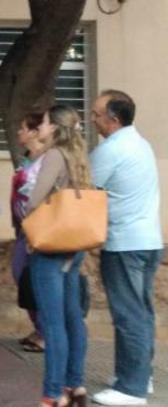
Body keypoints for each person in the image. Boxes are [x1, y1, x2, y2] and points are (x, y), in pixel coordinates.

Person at [89, 90, 163, 407]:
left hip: (124, 243)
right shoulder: (141, 144)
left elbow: (84, 187)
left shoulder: (112, 149)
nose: (93, 120)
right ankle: (137, 375)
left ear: (113, 118)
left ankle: (131, 389)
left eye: (96, 114)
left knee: (129, 315)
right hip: (148, 240)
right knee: (142, 313)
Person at [25, 105, 91, 407]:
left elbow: (36, 198)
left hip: (51, 245)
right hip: (74, 243)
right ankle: (75, 384)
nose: (44, 126)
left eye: (47, 122)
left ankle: (53, 393)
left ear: (55, 128)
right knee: (73, 318)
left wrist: (28, 221)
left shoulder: (54, 155)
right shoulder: (79, 154)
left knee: (52, 323)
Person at [10, 111, 48, 354]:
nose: (19, 132)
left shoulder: (46, 161)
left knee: (35, 280)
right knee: (21, 276)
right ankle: (38, 326)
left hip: (38, 229)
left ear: (35, 132)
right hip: (24, 229)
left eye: (23, 128)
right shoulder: (28, 159)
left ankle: (44, 332)